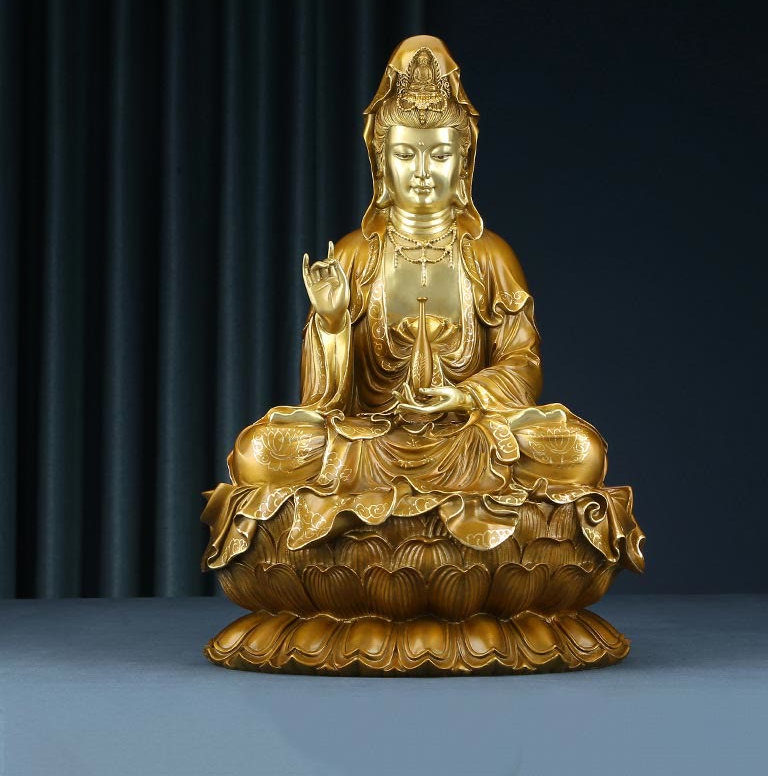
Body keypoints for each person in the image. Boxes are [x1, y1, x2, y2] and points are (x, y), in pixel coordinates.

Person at [202, 36, 643, 574]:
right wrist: (333, 322)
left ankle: (370, 547)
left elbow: (522, 364)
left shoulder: (489, 254)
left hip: (468, 441)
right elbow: (326, 401)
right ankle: (467, 553)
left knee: (578, 452)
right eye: (405, 154)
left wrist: (464, 396)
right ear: (380, 161)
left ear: (464, 161)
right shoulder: (355, 253)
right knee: (262, 452)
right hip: (371, 443)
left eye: (439, 154)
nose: (421, 172)